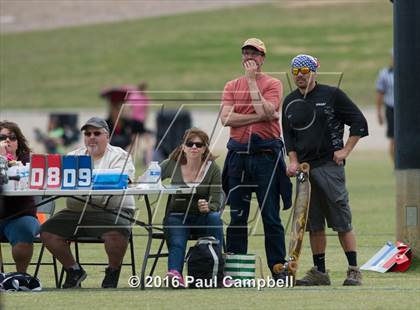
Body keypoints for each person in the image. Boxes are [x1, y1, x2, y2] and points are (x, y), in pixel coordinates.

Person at [282, 54, 368, 286]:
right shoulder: (289, 101)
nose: (300, 76)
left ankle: (353, 270)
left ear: (314, 72)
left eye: (305, 71)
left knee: (341, 219)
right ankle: (320, 272)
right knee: (313, 223)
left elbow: (359, 122)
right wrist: (292, 161)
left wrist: (345, 151)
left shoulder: (332, 95)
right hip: (304, 171)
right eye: (296, 72)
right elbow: (288, 137)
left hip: (329, 167)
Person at [220, 38, 292, 280]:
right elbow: (226, 119)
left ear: (262, 58)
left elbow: (267, 111)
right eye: (246, 52)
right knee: (238, 215)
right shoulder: (231, 85)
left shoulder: (273, 83)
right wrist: (255, 118)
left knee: (270, 215)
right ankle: (237, 270)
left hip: (265, 157)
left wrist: (252, 83)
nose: (249, 57)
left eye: (255, 53)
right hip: (238, 156)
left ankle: (278, 269)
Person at [40, 117, 136, 289]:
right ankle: (74, 270)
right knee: (47, 232)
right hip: (76, 213)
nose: (92, 137)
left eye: (97, 133)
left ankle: (113, 272)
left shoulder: (121, 156)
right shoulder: (72, 157)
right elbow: (59, 180)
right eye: (88, 133)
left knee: (117, 230)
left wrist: (88, 179)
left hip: (113, 211)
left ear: (107, 136)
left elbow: (123, 179)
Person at [160, 128, 224, 287]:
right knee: (177, 241)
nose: (194, 147)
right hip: (177, 215)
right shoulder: (171, 164)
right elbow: (148, 178)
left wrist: (208, 207)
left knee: (215, 218)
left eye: (199, 144)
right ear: (183, 146)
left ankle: (219, 272)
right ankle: (174, 275)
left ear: (204, 148)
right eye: (190, 144)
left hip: (203, 217)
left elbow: (217, 201)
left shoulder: (213, 169)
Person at [0, 121, 39, 273]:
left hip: (21, 214)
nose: (8, 140)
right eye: (2, 137)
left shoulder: (29, 161)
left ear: (19, 142)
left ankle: (20, 275)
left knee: (25, 229)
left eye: (13, 137)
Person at [376, 49, 394, 161]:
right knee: (394, 139)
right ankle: (396, 165)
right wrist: (379, 112)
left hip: (407, 110)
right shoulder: (385, 74)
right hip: (391, 108)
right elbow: (380, 93)